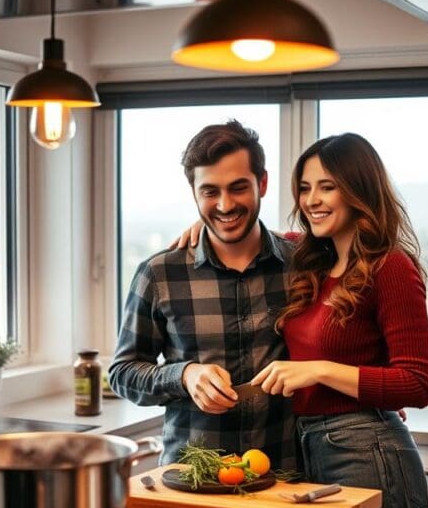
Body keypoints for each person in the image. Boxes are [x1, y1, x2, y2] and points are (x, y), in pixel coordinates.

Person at [250, 133, 428, 508]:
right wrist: (206, 220)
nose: (311, 200)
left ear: (358, 190)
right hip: (309, 447)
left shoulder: (391, 268)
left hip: (369, 450)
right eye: (304, 188)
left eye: (327, 187)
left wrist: (318, 370)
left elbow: (418, 384)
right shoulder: (318, 262)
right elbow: (256, 237)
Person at [108, 120, 297, 470]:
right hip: (191, 480)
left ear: (263, 183)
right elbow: (122, 373)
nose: (225, 205)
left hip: (286, 477)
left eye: (238, 187)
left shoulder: (301, 267)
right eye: (210, 192)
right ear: (194, 192)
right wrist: (183, 375)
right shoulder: (160, 273)